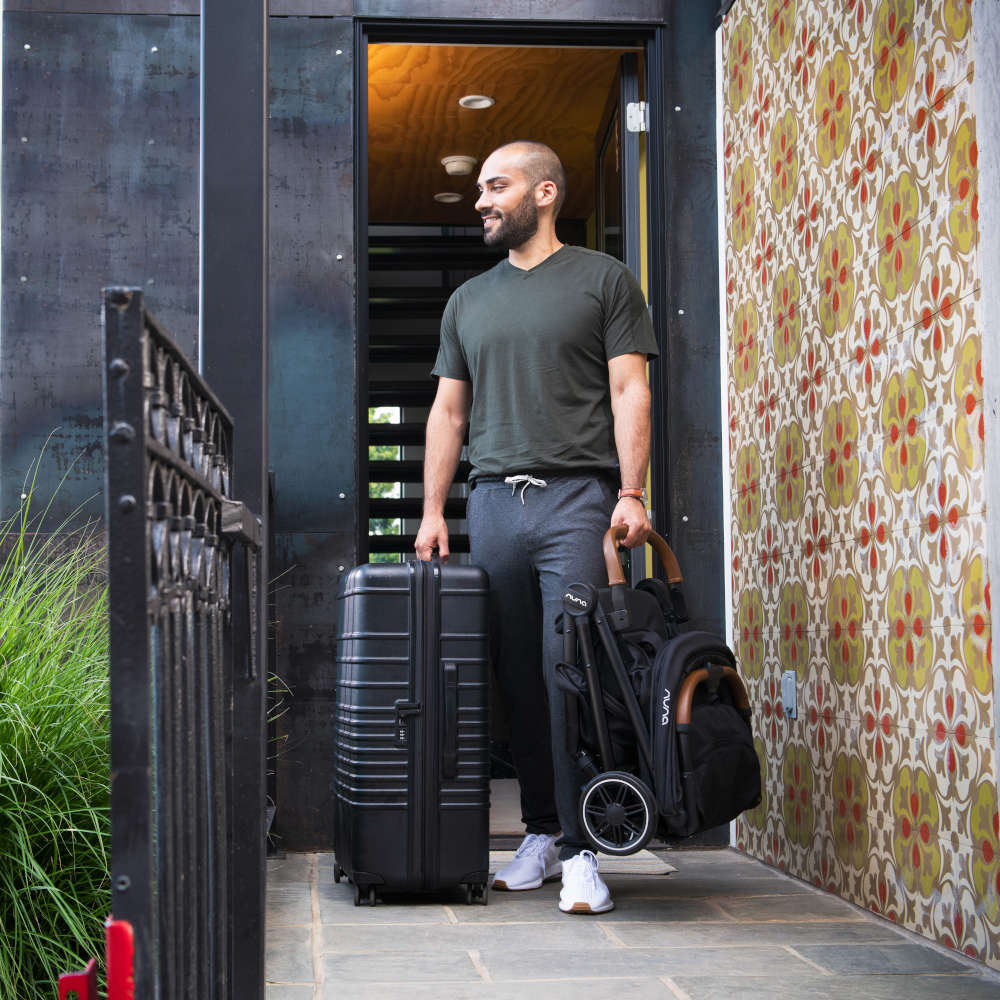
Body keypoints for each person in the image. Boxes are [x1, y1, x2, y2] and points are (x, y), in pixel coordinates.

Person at [415, 140, 657, 915]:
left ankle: (586, 849)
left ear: (543, 193)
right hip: (493, 503)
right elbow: (449, 412)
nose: (482, 201)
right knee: (517, 674)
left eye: (497, 186)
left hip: (576, 499)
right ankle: (544, 832)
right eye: (481, 189)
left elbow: (630, 390)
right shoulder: (468, 301)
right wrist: (432, 511)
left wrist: (630, 493)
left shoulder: (603, 280)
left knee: (569, 667)